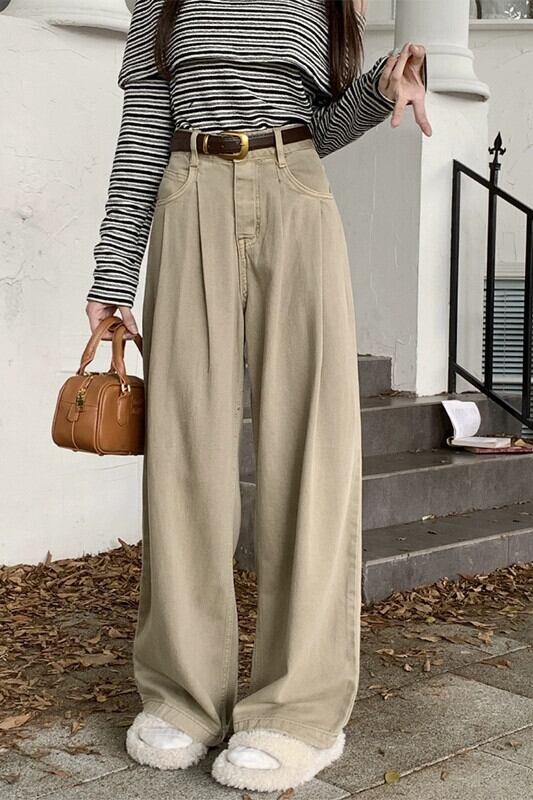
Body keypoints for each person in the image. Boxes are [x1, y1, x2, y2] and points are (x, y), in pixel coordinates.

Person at [85, 0, 431, 792]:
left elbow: (322, 125)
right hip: (187, 193)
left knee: (309, 451)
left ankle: (298, 711)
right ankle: (182, 695)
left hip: (292, 189)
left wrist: (380, 90)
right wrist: (112, 273)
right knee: (184, 452)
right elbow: (143, 130)